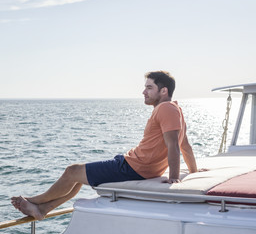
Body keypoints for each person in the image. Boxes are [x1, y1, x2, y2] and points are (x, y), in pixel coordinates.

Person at [11, 71, 198, 220]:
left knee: (71, 171)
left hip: (134, 167)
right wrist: (194, 171)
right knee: (80, 176)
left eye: (149, 88)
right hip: (134, 164)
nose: (144, 92)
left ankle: (33, 201)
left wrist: (174, 178)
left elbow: (174, 144)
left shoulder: (165, 108)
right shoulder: (176, 110)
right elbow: (186, 146)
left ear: (163, 91)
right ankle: (44, 209)